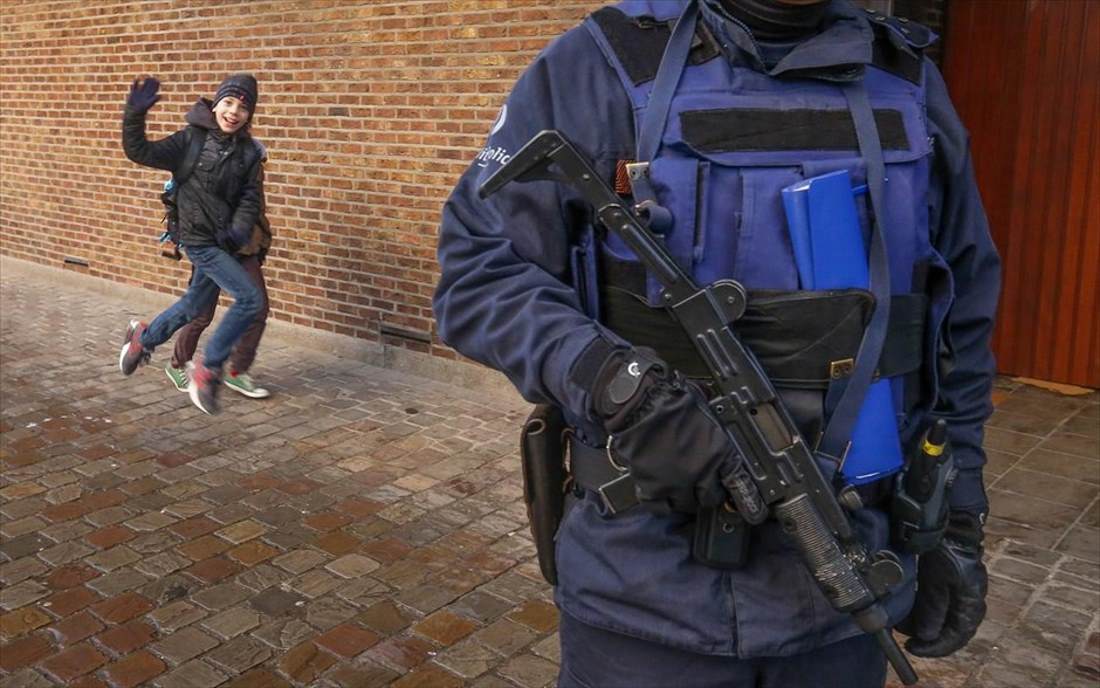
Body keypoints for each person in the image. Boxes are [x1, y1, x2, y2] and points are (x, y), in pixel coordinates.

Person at [433, 1, 1000, 686]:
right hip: (644, 594)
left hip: (844, 592)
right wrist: (618, 386)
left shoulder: (907, 78)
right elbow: (480, 274)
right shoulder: (603, 62)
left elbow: (958, 317)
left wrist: (956, 514)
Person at [119, 73, 267, 415]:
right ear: (215, 105)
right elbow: (139, 151)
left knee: (193, 307)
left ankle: (143, 339)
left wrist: (239, 230)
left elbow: (250, 198)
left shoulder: (248, 153)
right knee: (250, 299)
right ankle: (208, 370)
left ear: (249, 114)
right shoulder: (190, 140)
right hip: (199, 240)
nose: (234, 112)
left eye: (243, 107)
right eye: (228, 102)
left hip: (224, 243)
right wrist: (134, 114)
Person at [164, 194, 273, 401]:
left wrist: (261, 239)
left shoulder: (253, 172)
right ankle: (177, 363)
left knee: (258, 308)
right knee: (201, 313)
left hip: (243, 248)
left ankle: (237, 371)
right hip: (212, 248)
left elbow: (255, 206)